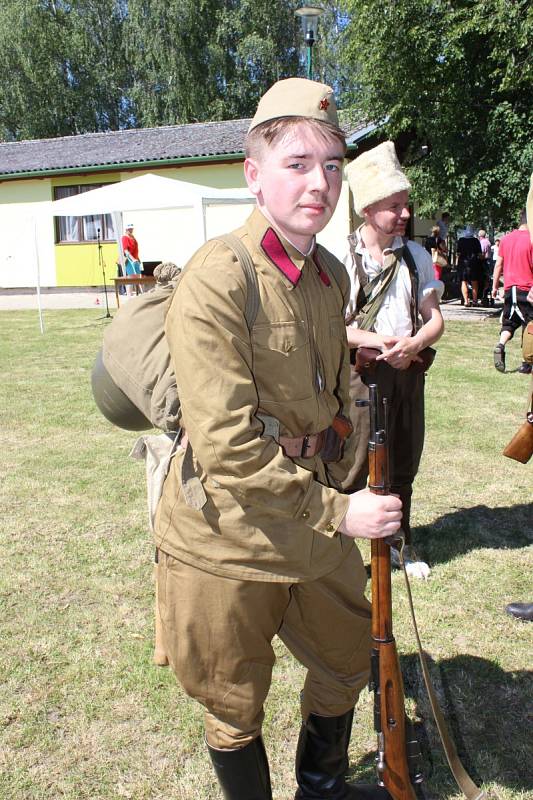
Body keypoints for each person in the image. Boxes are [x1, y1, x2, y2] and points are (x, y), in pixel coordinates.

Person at [154, 78, 403, 800]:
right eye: (297, 163)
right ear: (253, 174)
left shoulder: (327, 275)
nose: (319, 183)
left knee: (346, 654)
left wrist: (345, 465)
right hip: (224, 530)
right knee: (232, 699)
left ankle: (320, 788)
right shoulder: (219, 276)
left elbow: (326, 403)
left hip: (307, 511)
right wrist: (341, 513)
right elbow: (228, 447)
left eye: (330, 165)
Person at [340, 141, 444, 580]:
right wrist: (383, 340)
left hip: (406, 373)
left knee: (403, 460)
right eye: (394, 206)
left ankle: (399, 542)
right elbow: (334, 327)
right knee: (351, 464)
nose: (404, 214)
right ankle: (339, 553)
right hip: (361, 379)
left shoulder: (416, 256)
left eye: (405, 205)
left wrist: (415, 344)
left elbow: (434, 319)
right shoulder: (342, 257)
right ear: (368, 209)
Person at [492, 209, 533, 374]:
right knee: (529, 324)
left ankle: (500, 345)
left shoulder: (505, 239)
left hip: (510, 289)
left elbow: (498, 265)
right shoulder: (531, 239)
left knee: (509, 322)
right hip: (527, 289)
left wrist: (495, 287)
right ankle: (526, 363)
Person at [457, 225, 483, 306]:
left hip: (463, 263)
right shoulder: (475, 240)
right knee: (474, 282)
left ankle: (466, 301)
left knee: (463, 282)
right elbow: (479, 254)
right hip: (473, 263)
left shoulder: (461, 240)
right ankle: (475, 301)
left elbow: (458, 253)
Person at [121, 222, 142, 296]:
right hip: (130, 261)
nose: (130, 230)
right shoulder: (125, 238)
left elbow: (136, 250)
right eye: (129, 229)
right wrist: (133, 259)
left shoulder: (133, 237)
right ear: (126, 230)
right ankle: (129, 295)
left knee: (138, 277)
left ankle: (139, 294)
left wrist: (138, 259)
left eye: (131, 229)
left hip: (136, 260)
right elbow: (126, 251)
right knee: (131, 278)